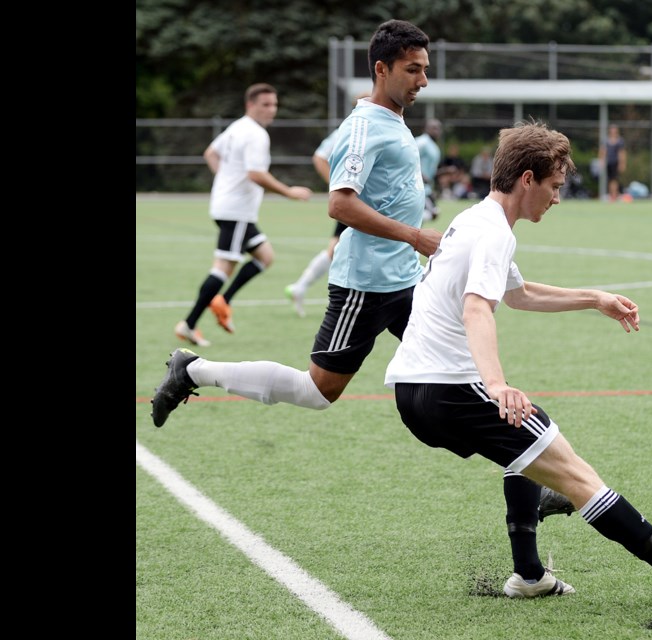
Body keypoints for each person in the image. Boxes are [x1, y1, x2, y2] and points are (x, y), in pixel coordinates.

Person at [150, 20, 575, 597]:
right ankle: (194, 369)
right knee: (317, 391)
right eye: (413, 69)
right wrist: (414, 236)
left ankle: (528, 496)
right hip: (366, 287)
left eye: (426, 68)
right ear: (382, 69)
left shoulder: (398, 121)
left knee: (471, 380)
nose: (424, 78)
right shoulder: (364, 125)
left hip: (407, 284)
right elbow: (340, 204)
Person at [385, 119, 652, 604]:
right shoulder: (494, 233)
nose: (558, 197)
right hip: (450, 388)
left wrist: (594, 298)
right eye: (555, 186)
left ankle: (529, 575)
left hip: (412, 392)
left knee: (527, 449)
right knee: (576, 474)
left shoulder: (475, 220)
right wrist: (495, 384)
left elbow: (518, 294)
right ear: (528, 180)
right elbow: (478, 306)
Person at [174, 83, 313, 347]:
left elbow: (210, 153)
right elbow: (255, 174)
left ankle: (223, 301)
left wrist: (225, 180)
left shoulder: (237, 127)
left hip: (231, 208)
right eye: (265, 104)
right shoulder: (255, 134)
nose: (272, 110)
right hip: (236, 211)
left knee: (265, 256)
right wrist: (289, 192)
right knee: (223, 268)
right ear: (250, 105)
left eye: (274, 104)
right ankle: (189, 324)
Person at [284, 92, 371, 318]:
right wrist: (339, 186)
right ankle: (304, 288)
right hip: (357, 202)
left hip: (365, 202)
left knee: (339, 248)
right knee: (339, 249)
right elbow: (319, 157)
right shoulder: (351, 128)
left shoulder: (373, 126)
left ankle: (300, 287)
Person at [416, 118, 443, 221]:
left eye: (439, 128)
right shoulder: (422, 142)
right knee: (431, 214)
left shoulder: (433, 146)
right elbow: (409, 159)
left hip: (426, 188)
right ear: (426, 129)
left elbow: (431, 171)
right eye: (434, 128)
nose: (437, 131)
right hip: (417, 187)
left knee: (432, 214)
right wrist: (420, 176)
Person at [599, 124, 627, 201]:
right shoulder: (606, 140)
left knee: (614, 180)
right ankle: (611, 195)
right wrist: (602, 161)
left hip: (616, 163)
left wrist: (622, 163)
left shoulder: (620, 141)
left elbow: (621, 153)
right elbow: (603, 151)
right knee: (610, 179)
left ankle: (614, 195)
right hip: (609, 163)